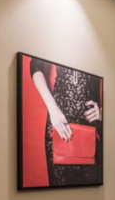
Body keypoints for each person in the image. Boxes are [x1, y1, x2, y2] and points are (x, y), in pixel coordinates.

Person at [30, 58, 102, 187]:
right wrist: (52, 108)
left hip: (91, 126)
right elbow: (35, 66)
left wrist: (103, 110)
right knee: (58, 193)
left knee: (92, 192)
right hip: (60, 123)